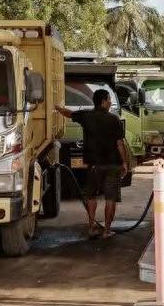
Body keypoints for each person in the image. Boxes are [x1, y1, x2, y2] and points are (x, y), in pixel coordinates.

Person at [55, 89, 130, 239]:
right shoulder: (114, 119)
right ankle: (107, 230)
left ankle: (92, 227)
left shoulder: (86, 116)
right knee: (110, 198)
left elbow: (69, 113)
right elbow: (120, 143)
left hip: (94, 165)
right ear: (103, 101)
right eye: (109, 99)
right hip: (113, 164)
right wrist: (125, 162)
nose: (110, 102)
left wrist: (56, 108)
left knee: (91, 196)